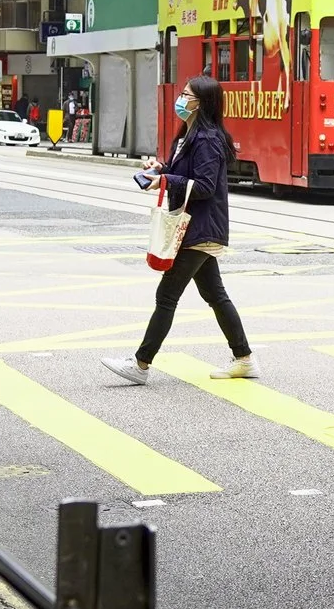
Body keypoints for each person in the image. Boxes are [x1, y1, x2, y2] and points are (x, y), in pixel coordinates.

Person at [104, 75, 255, 383]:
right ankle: (244, 359)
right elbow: (184, 173)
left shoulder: (208, 139)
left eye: (187, 95)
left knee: (167, 296)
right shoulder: (188, 135)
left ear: (202, 103)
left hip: (198, 227)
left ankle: (140, 364)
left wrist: (167, 181)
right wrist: (161, 169)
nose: (181, 100)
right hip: (195, 226)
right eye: (182, 94)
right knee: (215, 294)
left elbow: (204, 186)